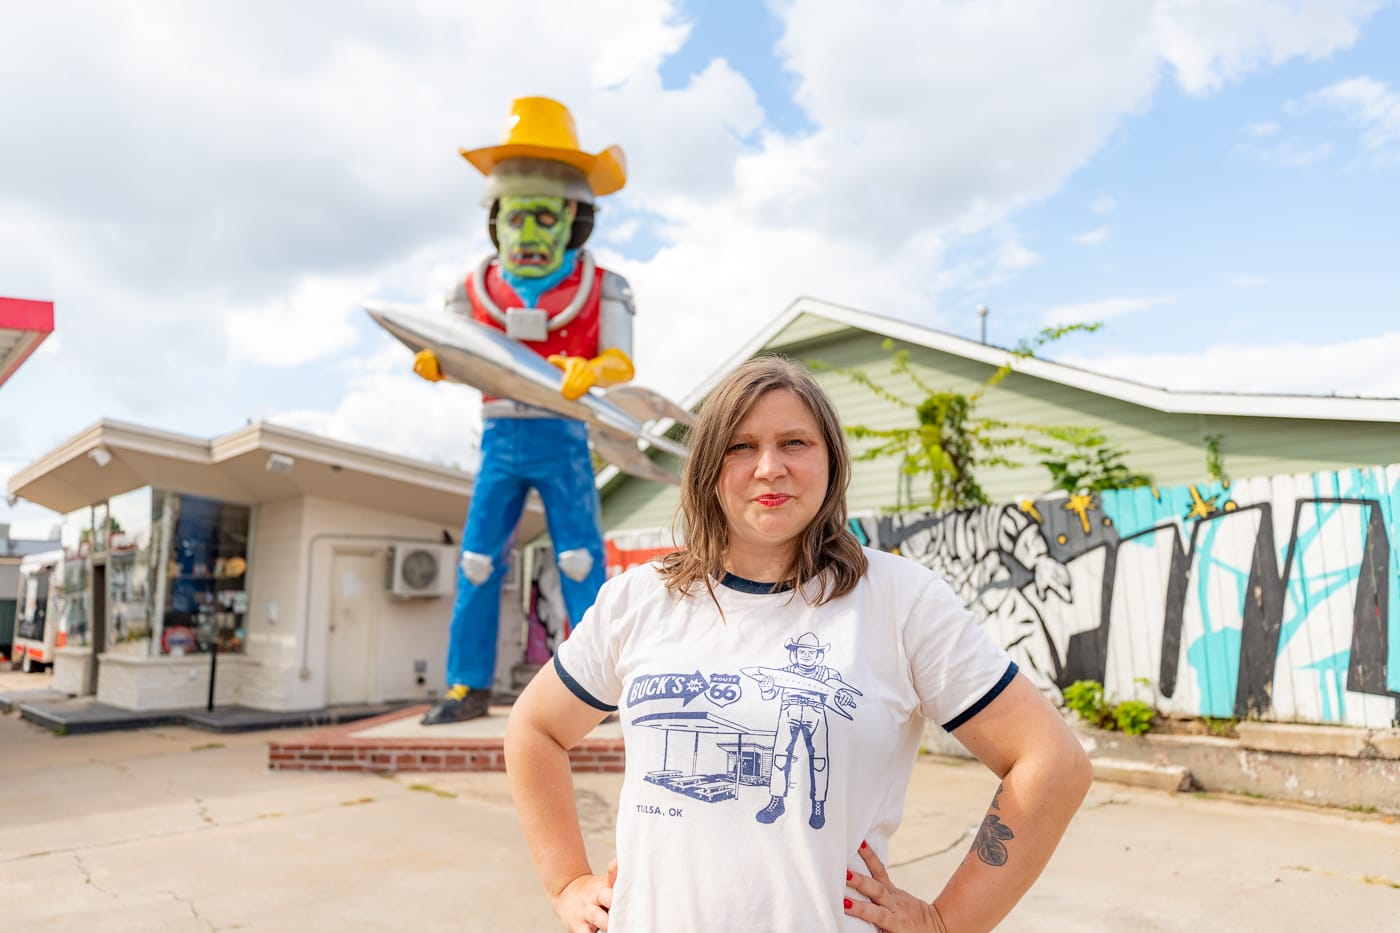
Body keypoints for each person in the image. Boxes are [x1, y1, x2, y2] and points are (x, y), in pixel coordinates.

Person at [505, 356, 1092, 931]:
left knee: (805, 764)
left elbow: (1053, 764)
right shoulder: (638, 599)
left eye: (795, 443)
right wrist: (567, 883)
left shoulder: (899, 600)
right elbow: (535, 729)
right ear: (708, 465)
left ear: (831, 462)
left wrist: (946, 922)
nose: (769, 467)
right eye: (740, 446)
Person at [414, 97, 637, 724]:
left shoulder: (604, 288)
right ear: (496, 220)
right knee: (479, 560)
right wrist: (437, 362)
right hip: (498, 440)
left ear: (573, 219)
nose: (530, 234)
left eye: (545, 216)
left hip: (565, 438)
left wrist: (593, 370)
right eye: (518, 217)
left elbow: (621, 362)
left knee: (579, 559)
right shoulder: (470, 292)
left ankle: (604, 683)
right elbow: (452, 353)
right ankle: (467, 684)